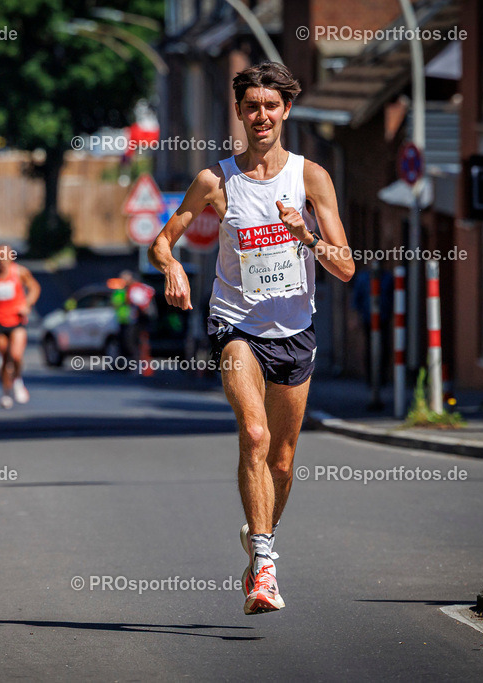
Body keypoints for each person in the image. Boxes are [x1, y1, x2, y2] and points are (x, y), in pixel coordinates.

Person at [148, 62, 354, 615]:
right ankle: (264, 566)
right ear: (238, 112)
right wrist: (173, 267)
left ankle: (258, 537)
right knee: (256, 435)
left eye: (271, 106)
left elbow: (346, 267)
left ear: (286, 110)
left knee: (283, 462)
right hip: (235, 324)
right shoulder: (215, 181)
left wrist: (305, 235)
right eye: (251, 106)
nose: (261, 116)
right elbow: (162, 241)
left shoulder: (310, 179)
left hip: (295, 330)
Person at [0, 244, 40, 409]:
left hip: (16, 320)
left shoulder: (20, 272)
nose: (3, 261)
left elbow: (35, 288)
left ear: (11, 257)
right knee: (4, 356)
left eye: (5, 257)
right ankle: (6, 392)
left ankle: (18, 381)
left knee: (16, 355)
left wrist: (27, 304)